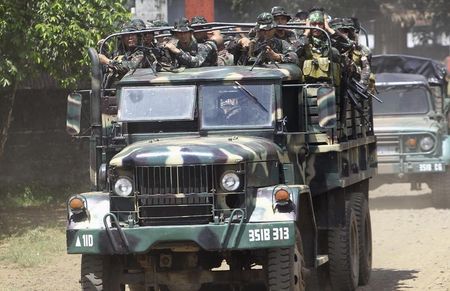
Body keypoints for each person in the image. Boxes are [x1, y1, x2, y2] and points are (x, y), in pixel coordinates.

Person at [98, 20, 144, 86]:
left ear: (137, 37)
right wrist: (104, 50)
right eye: (127, 35)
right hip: (113, 91)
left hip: (132, 89)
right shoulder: (119, 52)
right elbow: (108, 65)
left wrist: (107, 61)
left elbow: (131, 66)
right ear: (122, 38)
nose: (130, 37)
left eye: (133, 34)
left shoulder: (142, 52)